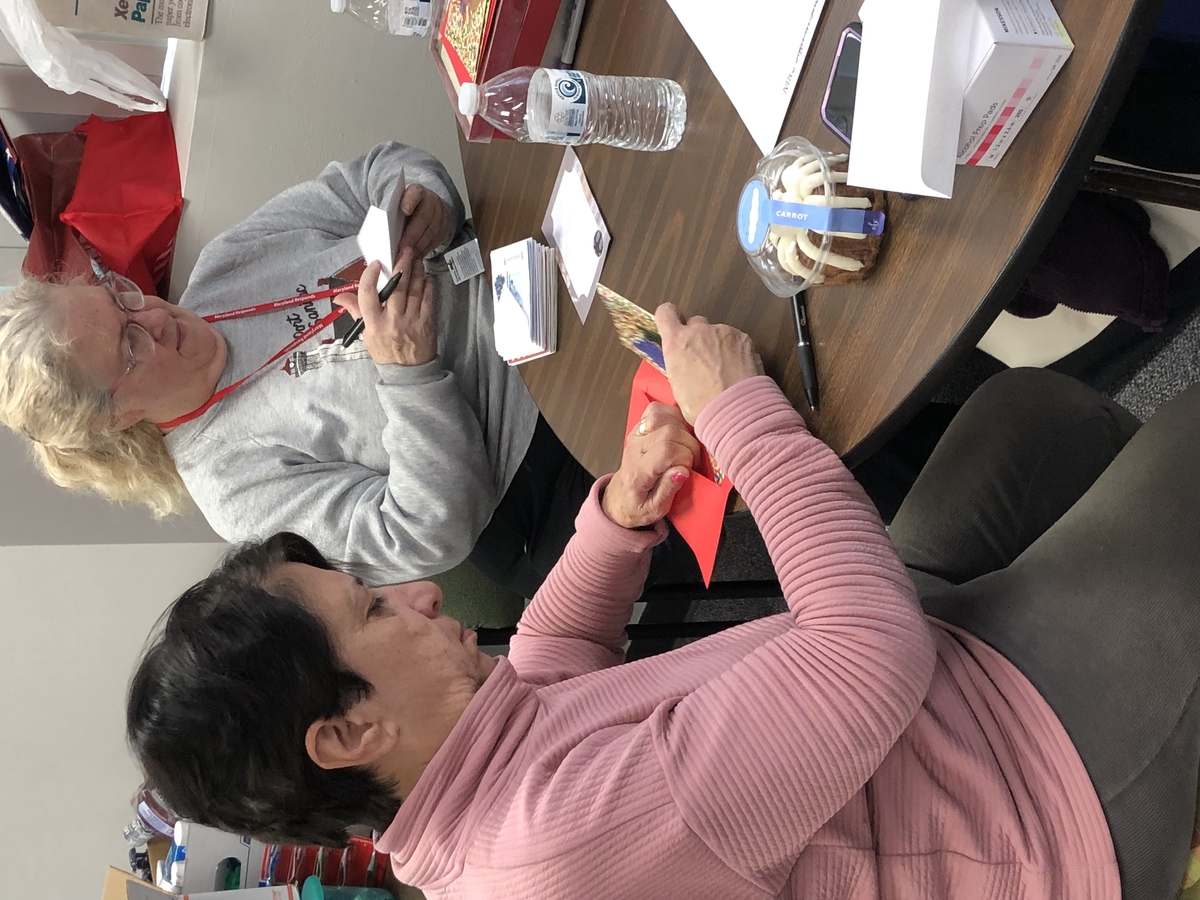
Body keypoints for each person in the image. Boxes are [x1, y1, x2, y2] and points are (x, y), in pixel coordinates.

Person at [127, 304, 1200, 900]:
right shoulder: (554, 849)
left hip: (908, 712)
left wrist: (618, 521)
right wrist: (738, 412)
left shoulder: (458, 776)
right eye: (372, 612)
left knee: (1022, 419)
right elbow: (866, 650)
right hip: (1025, 804)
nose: (412, 594)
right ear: (351, 729)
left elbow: (550, 660)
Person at [0, 142, 657, 594]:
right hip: (548, 464)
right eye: (130, 348)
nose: (155, 317)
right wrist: (409, 374)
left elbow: (369, 174)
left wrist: (421, 197)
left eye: (118, 294)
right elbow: (428, 533)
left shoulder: (223, 268)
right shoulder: (234, 487)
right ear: (120, 418)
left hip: (551, 288)